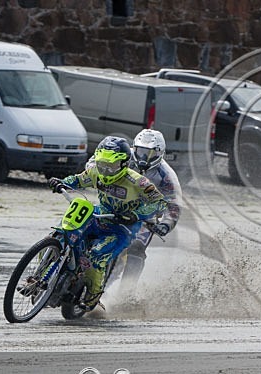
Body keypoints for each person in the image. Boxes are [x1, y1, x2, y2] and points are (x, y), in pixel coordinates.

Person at [48, 136, 165, 311]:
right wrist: (61, 182)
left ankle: (93, 295)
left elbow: (159, 203)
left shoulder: (138, 182)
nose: (106, 171)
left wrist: (135, 215)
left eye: (111, 167)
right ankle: (44, 273)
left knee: (96, 256)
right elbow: (78, 180)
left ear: (124, 164)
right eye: (102, 165)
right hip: (99, 215)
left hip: (122, 227)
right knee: (62, 231)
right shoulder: (95, 171)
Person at [118, 128, 183, 288]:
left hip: (144, 219)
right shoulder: (122, 156)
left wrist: (166, 224)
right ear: (134, 147)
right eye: (141, 151)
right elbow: (96, 161)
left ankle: (126, 292)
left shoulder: (167, 175)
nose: (143, 158)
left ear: (160, 153)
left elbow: (174, 205)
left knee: (136, 248)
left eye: (150, 153)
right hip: (115, 206)